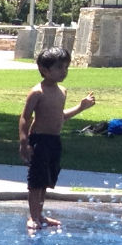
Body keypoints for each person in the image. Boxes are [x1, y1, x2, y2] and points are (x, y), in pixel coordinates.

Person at [18, 45, 97, 233]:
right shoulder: (37, 92)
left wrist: (81, 107)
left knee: (46, 180)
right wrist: (24, 142)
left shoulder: (62, 91)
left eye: (66, 67)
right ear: (45, 70)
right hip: (39, 140)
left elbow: (61, 117)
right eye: (59, 67)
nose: (64, 71)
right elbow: (25, 117)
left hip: (54, 141)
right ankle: (33, 216)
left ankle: (40, 215)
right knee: (36, 181)